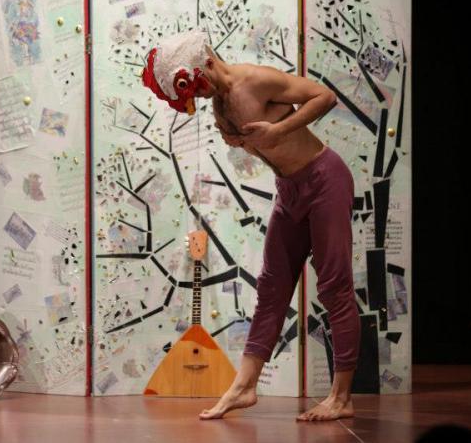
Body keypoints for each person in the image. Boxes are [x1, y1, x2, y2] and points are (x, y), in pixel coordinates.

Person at [142, 31, 358, 421]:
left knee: (333, 286)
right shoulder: (219, 103)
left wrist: (278, 130)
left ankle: (341, 398)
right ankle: (243, 387)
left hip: (324, 179)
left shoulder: (255, 79)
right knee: (272, 288)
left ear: (208, 64)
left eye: (197, 87)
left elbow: (324, 97)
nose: (198, 97)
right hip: (289, 189)